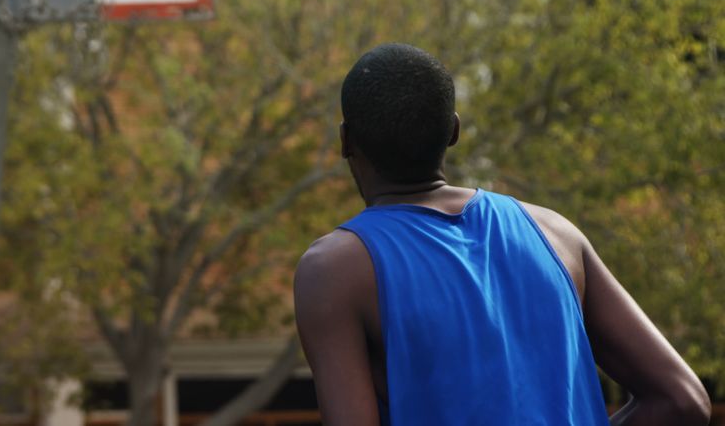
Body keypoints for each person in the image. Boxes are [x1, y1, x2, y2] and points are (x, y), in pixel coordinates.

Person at [293, 43, 711, 426]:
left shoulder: (335, 271)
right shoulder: (555, 234)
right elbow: (682, 399)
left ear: (346, 141)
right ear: (453, 131)